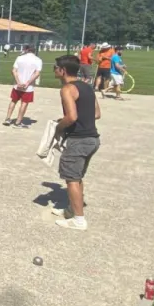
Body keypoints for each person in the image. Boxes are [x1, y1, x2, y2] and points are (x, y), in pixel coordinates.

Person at [52, 55, 101, 230]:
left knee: (71, 179)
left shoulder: (67, 89)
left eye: (55, 67)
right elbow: (96, 114)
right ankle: (72, 209)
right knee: (77, 176)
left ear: (63, 70)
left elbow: (72, 117)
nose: (54, 70)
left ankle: (79, 220)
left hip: (78, 140)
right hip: (93, 139)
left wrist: (59, 127)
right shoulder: (87, 86)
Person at [4, 44, 43, 127]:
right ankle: (18, 122)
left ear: (26, 50)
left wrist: (18, 82)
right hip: (28, 87)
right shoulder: (38, 60)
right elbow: (37, 73)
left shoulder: (19, 58)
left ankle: (7, 118)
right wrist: (28, 83)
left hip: (17, 85)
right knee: (24, 103)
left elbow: (14, 71)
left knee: (13, 100)